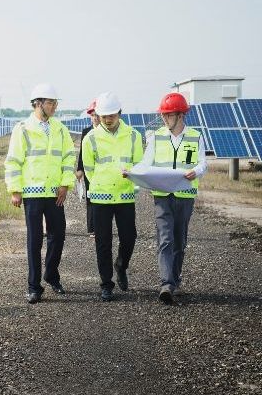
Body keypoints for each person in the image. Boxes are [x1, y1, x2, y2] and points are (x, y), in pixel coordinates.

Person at [5, 83, 76, 304]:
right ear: (38, 103)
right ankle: (34, 286)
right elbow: (14, 161)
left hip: (55, 192)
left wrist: (65, 184)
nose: (54, 106)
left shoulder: (61, 129)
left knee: (59, 235)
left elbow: (68, 158)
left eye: (55, 102)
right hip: (33, 193)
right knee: (34, 240)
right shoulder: (23, 129)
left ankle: (51, 275)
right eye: (50, 102)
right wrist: (15, 190)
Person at [138, 93, 207, 305]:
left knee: (179, 240)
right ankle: (166, 284)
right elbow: (145, 163)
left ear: (180, 115)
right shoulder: (156, 137)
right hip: (162, 196)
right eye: (163, 115)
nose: (164, 119)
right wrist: (132, 172)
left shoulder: (195, 137)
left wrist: (196, 171)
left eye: (168, 115)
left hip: (185, 197)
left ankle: (174, 281)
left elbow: (203, 164)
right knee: (165, 239)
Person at [81, 92, 143, 302]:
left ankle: (121, 265)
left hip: (125, 195)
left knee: (129, 237)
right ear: (98, 115)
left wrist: (129, 175)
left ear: (119, 113)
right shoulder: (91, 138)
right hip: (100, 197)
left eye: (112, 115)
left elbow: (139, 163)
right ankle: (106, 284)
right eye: (104, 115)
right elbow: (88, 168)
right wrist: (101, 182)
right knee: (103, 243)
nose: (108, 119)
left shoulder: (133, 135)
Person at [75, 99, 99, 239]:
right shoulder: (86, 132)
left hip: (103, 171)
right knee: (90, 198)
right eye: (92, 115)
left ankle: (102, 226)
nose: (95, 118)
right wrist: (80, 169)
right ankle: (92, 229)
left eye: (97, 115)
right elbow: (82, 153)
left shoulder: (106, 132)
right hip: (90, 171)